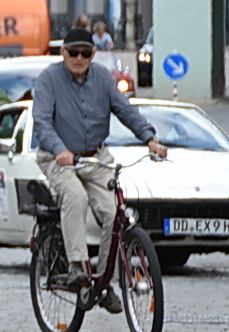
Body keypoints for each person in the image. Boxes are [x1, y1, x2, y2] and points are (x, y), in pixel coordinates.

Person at [31, 35, 166, 292]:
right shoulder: (49, 78)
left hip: (95, 159)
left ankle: (105, 282)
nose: (79, 58)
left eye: (85, 53)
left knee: (112, 212)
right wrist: (60, 150)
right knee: (75, 195)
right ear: (63, 52)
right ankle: (77, 266)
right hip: (58, 159)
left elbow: (126, 110)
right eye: (73, 53)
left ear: (93, 54)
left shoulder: (104, 78)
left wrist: (150, 139)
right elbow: (42, 122)